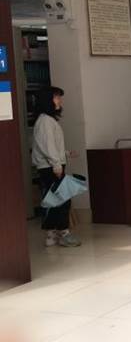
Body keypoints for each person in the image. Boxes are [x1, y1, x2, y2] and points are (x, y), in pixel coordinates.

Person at [32, 86, 80, 248]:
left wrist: (65, 153)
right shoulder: (46, 121)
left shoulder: (47, 120)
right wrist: (57, 165)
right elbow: (48, 146)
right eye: (56, 97)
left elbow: (50, 146)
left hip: (50, 165)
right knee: (62, 200)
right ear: (48, 100)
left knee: (53, 200)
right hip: (51, 167)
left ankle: (51, 235)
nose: (60, 101)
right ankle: (63, 233)